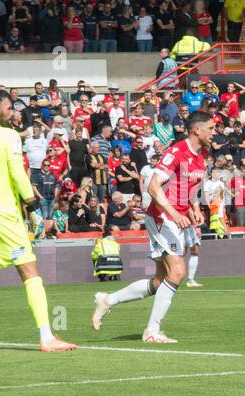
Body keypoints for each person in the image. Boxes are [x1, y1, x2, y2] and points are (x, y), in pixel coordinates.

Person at [0, 89, 76, 354]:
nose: (14, 112)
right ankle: (47, 337)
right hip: (3, 214)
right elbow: (17, 172)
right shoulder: (8, 135)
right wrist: (33, 206)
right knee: (30, 272)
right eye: (10, 108)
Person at [91, 110, 213, 344]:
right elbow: (153, 187)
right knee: (177, 272)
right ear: (197, 129)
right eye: (211, 128)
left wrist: (194, 207)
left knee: (160, 280)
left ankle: (108, 300)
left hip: (178, 217)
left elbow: (190, 186)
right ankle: (152, 331)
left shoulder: (201, 154)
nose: (214, 132)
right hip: (162, 216)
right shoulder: (177, 151)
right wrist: (174, 213)